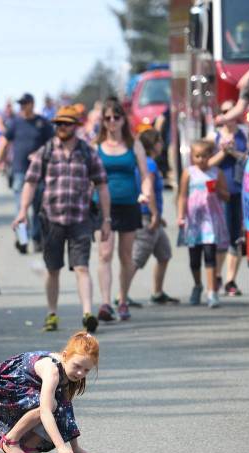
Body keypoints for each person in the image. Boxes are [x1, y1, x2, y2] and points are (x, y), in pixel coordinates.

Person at [15, 105, 111, 333]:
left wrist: (106, 219)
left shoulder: (87, 152)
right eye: (58, 124)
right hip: (51, 219)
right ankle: (52, 313)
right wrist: (22, 212)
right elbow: (30, 182)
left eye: (66, 123)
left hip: (81, 218)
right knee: (53, 269)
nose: (61, 127)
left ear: (75, 126)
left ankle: (88, 314)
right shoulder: (46, 151)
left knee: (82, 267)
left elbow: (102, 186)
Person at [0, 330, 98, 453]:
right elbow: (45, 411)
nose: (80, 373)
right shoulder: (53, 370)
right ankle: (10, 441)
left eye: (86, 370)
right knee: (50, 405)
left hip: (24, 387)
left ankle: (29, 447)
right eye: (77, 366)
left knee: (59, 406)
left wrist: (75, 447)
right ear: (65, 356)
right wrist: (61, 447)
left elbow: (66, 409)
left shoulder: (68, 371)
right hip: (5, 386)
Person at [95, 100, 156, 322]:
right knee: (105, 253)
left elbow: (145, 173)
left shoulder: (134, 145)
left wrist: (146, 192)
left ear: (123, 120)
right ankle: (105, 302)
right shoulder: (97, 146)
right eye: (108, 118)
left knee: (126, 256)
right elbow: (89, 177)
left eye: (116, 117)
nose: (112, 122)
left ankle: (122, 299)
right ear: (103, 121)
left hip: (129, 203)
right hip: (104, 208)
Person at [0, 94, 54, 253]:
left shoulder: (42, 123)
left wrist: (41, 154)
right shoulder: (15, 123)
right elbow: (4, 142)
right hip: (20, 170)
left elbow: (52, 144)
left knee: (38, 207)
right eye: (20, 104)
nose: (22, 107)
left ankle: (36, 238)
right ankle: (22, 239)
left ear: (32, 104)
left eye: (25, 103)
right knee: (20, 207)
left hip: (39, 171)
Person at [126, 129, 178, 305]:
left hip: (152, 215)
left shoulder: (145, 163)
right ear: (152, 145)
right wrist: (155, 213)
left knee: (164, 254)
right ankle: (121, 295)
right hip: (147, 215)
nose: (162, 145)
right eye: (159, 141)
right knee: (137, 258)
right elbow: (149, 192)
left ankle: (157, 292)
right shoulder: (149, 165)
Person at [177, 140, 230, 308]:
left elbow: (226, 196)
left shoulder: (216, 173)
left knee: (209, 256)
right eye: (197, 156)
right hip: (193, 221)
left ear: (210, 156)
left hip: (210, 221)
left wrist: (217, 190)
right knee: (194, 259)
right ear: (192, 157)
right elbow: (182, 195)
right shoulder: (188, 173)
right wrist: (180, 215)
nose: (201, 159)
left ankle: (212, 291)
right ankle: (197, 285)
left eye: (204, 156)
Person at [210, 103, 249, 297]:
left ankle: (230, 280)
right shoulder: (214, 136)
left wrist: (234, 152)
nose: (228, 115)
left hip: (240, 191)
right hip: (220, 193)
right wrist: (223, 152)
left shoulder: (244, 134)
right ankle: (216, 276)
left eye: (232, 111)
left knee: (237, 237)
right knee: (221, 237)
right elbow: (205, 163)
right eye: (224, 111)